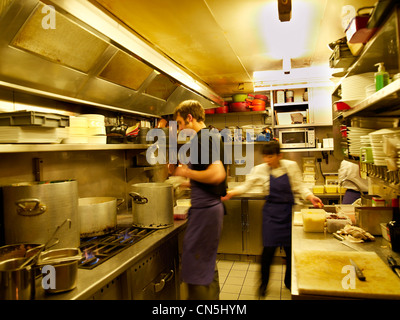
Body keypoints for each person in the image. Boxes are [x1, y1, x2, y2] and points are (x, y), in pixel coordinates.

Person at [223, 140, 323, 296]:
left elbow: (300, 186)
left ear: (279, 155)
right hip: (271, 214)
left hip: (287, 213)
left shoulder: (290, 166)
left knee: (291, 251)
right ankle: (263, 285)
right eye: (265, 157)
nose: (267, 160)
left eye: (270, 156)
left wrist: (311, 196)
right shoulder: (260, 169)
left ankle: (290, 282)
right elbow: (247, 186)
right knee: (268, 251)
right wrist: (232, 193)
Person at [170, 100, 227, 300]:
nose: (179, 129)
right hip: (209, 209)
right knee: (205, 264)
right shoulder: (212, 135)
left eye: (179, 123)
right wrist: (187, 182)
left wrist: (186, 172)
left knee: (196, 267)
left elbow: (217, 173)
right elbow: (208, 175)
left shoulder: (201, 139)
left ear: (190, 118)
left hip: (206, 211)